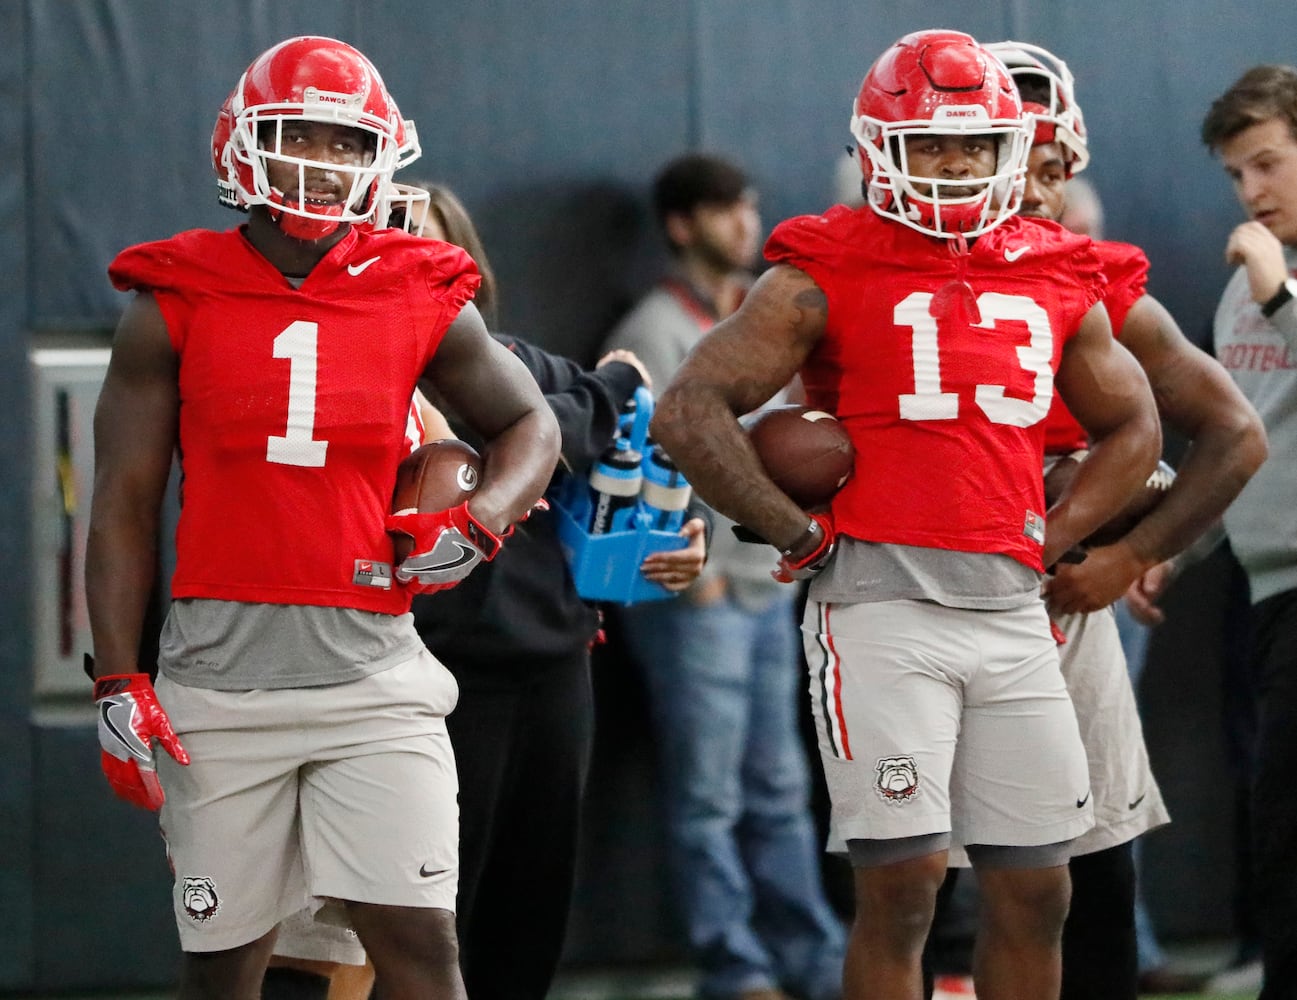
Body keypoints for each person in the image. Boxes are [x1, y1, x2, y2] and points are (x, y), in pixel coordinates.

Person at [650, 29, 1165, 1000]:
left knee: (1037, 887)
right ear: (880, 148)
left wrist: (1052, 535)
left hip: (1015, 614)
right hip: (882, 611)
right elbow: (688, 408)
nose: (956, 162)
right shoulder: (820, 267)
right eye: (931, 142)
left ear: (1011, 147)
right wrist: (796, 532)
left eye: (972, 143)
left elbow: (1136, 423)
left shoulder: (1054, 268)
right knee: (902, 889)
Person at [84, 35, 560, 1000]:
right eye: (297, 135)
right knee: (223, 973)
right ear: (241, 144)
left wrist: (480, 523)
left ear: (380, 156)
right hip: (218, 684)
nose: (321, 162)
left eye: (345, 143)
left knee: (424, 952)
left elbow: (529, 422)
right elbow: (122, 506)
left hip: (373, 677)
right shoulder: (171, 297)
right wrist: (118, 676)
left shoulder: (419, 285)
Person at [268, 181, 709, 1000]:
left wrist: (682, 541)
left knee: (528, 909)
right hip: (415, 676)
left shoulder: (515, 363)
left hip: (552, 671)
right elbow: (572, 416)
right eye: (392, 234)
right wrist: (601, 391)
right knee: (409, 921)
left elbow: (608, 449)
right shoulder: (337, 368)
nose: (413, 256)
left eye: (433, 243)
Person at [982, 41, 1266, 1000]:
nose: (1031, 181)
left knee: (1088, 859)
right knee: (910, 878)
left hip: (1050, 599)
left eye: (1050, 161)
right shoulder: (850, 273)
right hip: (907, 602)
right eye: (1005, 152)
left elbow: (1232, 434)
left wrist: (1134, 551)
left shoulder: (1089, 281)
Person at [602, 153, 848, 1000]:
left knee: (778, 788)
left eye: (747, 206)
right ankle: (734, 966)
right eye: (722, 210)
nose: (745, 223)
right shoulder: (649, 325)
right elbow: (623, 449)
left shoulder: (758, 318)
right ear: (681, 226)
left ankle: (811, 961)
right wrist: (688, 564)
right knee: (707, 793)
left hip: (762, 585)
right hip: (691, 593)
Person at [1202, 62, 1297, 1000]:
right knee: (1278, 828)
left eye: (1266, 163)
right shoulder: (1241, 289)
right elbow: (1237, 446)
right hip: (1267, 592)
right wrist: (1160, 552)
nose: (1250, 191)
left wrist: (1280, 298)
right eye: (1235, 176)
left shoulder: (1263, 285)